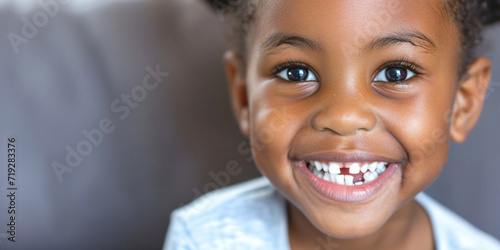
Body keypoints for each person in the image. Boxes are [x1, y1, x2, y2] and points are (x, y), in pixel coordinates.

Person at [164, 0, 500, 249]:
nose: (343, 117)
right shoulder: (203, 238)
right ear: (244, 97)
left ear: (463, 101)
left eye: (395, 73)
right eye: (296, 73)